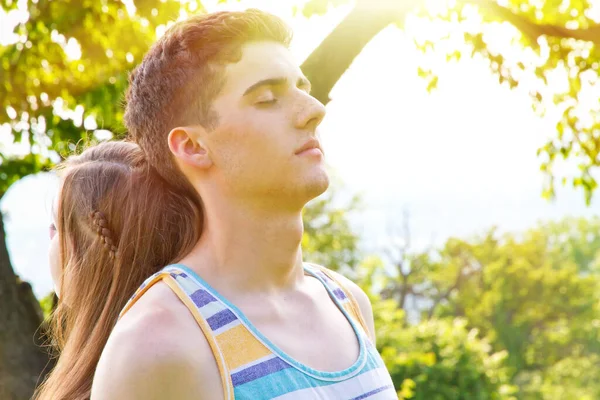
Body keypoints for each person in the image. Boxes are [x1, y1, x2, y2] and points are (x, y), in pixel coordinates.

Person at [92, 8, 396, 399]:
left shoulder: (347, 303)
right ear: (193, 146)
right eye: (268, 99)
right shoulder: (158, 344)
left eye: (303, 88)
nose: (314, 110)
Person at [33, 141, 202, 400]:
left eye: (56, 227)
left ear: (91, 252)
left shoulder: (125, 379)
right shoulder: (198, 341)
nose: (49, 238)